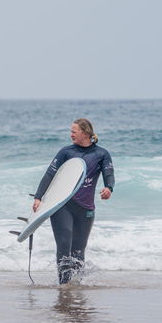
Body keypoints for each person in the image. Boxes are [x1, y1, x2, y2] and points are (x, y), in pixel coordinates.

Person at [33, 118, 114, 285]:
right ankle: (64, 286)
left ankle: (76, 286)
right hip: (63, 206)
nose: (71, 135)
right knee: (64, 246)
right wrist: (38, 196)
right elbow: (49, 174)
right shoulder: (66, 152)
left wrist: (109, 188)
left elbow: (109, 174)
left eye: (74, 132)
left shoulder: (101, 154)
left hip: (86, 209)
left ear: (85, 133)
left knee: (78, 251)